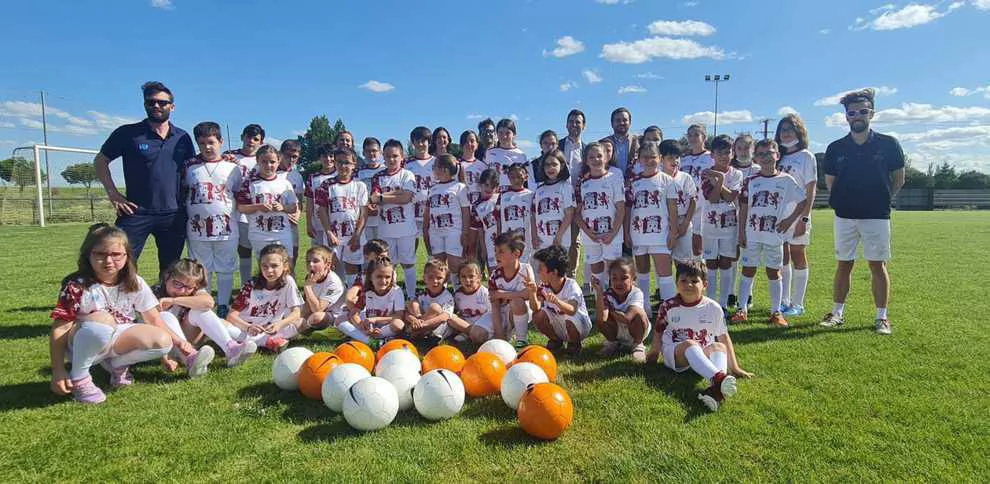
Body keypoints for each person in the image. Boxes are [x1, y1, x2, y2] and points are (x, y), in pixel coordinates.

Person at [49, 224, 193, 404]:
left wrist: (179, 342)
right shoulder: (77, 285)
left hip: (117, 340)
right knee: (103, 319)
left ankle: (118, 365)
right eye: (100, 254)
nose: (109, 261)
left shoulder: (134, 282)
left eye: (116, 254)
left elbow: (154, 318)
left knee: (163, 341)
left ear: (127, 256)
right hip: (83, 341)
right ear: (88, 255)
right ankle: (80, 378)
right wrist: (58, 370)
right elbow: (60, 328)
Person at [822, 88, 905, 335]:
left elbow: (899, 179)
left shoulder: (889, 144)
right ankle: (837, 313)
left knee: (877, 266)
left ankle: (882, 318)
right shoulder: (835, 147)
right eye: (852, 112)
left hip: (877, 215)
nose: (857, 116)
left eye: (863, 111)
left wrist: (880, 200)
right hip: (845, 215)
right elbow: (830, 182)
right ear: (846, 116)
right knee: (843, 264)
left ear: (872, 113)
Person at [94, 81, 194, 275]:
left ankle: (164, 303)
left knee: (170, 268)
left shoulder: (182, 137)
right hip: (135, 212)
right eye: (151, 102)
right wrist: (113, 195)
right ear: (145, 105)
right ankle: (119, 303)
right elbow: (100, 161)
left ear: (172, 106)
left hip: (173, 214)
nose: (156, 106)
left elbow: (193, 166)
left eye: (162, 102)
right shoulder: (127, 133)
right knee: (120, 263)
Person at [646, 261, 752, 412]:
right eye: (683, 281)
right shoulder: (668, 306)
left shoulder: (713, 308)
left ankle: (716, 393)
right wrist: (654, 353)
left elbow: (723, 337)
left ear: (705, 285)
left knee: (718, 346)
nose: (688, 285)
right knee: (690, 343)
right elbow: (658, 331)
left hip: (702, 354)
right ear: (677, 283)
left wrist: (735, 368)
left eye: (694, 281)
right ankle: (718, 379)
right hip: (677, 355)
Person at [734, 140, 808, 327]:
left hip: (774, 235)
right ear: (756, 157)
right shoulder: (751, 181)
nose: (766, 157)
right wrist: (741, 231)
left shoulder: (786, 180)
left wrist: (789, 221)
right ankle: (742, 309)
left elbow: (802, 201)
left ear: (778, 155)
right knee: (748, 269)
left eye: (770, 153)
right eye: (761, 154)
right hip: (752, 234)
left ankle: (776, 312)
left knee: (774, 271)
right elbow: (743, 207)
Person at [182, 122, 241, 316]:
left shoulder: (233, 167)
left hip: (226, 228)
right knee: (201, 269)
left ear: (221, 141)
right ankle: (205, 304)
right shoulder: (190, 166)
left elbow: (240, 194)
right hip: (197, 229)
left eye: (211, 142)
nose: (207, 147)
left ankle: (223, 304)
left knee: (225, 268)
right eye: (201, 143)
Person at [155, 258, 256, 370]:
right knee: (165, 316)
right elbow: (152, 328)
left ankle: (231, 349)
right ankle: (189, 358)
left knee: (200, 309)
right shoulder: (154, 294)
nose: (182, 291)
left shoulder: (194, 291)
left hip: (191, 338)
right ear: (166, 277)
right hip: (169, 345)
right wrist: (164, 357)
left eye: (188, 287)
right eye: (177, 284)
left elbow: (209, 303)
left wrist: (174, 300)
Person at [625, 142, 679, 306]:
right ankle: (644, 307)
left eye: (653, 157)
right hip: (638, 234)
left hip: (660, 235)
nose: (649, 161)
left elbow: (673, 209)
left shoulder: (667, 180)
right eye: (645, 157)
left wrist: (673, 232)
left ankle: (669, 310)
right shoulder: (633, 182)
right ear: (639, 160)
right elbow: (628, 209)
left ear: (660, 159)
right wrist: (627, 232)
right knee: (642, 272)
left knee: (665, 273)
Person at [775, 114, 818, 318]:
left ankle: (798, 303)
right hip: (780, 217)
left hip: (798, 215)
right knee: (782, 258)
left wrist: (805, 217)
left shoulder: (806, 156)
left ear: (799, 132)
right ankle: (784, 300)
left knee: (798, 254)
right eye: (783, 130)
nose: (786, 133)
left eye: (790, 129)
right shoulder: (778, 157)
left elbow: (810, 190)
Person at [225, 244, 303, 352]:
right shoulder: (251, 285)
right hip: (247, 329)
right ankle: (267, 342)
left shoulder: (288, 281)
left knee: (302, 322)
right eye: (264, 266)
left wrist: (280, 324)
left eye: (274, 266)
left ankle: (254, 342)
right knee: (219, 323)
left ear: (285, 266)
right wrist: (248, 327)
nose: (269, 270)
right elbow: (231, 316)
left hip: (272, 328)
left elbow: (296, 313)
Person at [369, 139, 419, 300]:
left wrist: (383, 197)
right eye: (388, 156)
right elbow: (374, 198)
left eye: (395, 156)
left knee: (408, 263)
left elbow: (406, 197)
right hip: (386, 230)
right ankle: (391, 297)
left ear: (402, 156)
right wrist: (396, 194)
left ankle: (411, 297)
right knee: (388, 265)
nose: (391, 159)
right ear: (383, 156)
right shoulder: (378, 177)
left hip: (406, 229)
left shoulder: (407, 174)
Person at [700, 135, 744, 315]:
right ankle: (711, 304)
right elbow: (713, 197)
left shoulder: (737, 173)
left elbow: (731, 196)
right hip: (710, 226)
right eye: (720, 153)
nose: (724, 156)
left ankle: (724, 304)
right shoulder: (704, 172)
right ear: (712, 154)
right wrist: (719, 180)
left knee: (726, 263)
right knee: (710, 263)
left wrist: (718, 179)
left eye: (728, 152)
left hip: (729, 226)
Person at [316, 147, 369, 287]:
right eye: (339, 162)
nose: (343, 166)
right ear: (334, 163)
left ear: (354, 164)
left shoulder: (360, 186)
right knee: (332, 267)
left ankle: (352, 299)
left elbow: (363, 213)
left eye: (347, 162)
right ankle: (336, 300)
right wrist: (328, 232)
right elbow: (322, 211)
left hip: (353, 235)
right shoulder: (326, 185)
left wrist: (357, 235)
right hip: (334, 234)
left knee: (352, 268)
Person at [576, 142, 626, 290]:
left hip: (613, 234)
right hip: (591, 235)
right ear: (586, 160)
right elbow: (577, 214)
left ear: (606, 158)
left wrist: (612, 233)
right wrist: (588, 232)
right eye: (591, 157)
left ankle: (614, 303)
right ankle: (601, 302)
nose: (596, 159)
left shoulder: (614, 178)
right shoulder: (582, 183)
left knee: (614, 270)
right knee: (596, 269)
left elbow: (621, 209)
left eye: (599, 156)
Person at [236, 145, 298, 259]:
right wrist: (259, 207)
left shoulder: (285, 183)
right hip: (259, 234)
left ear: (278, 161)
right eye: (264, 162)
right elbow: (241, 208)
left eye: (272, 162)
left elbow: (294, 207)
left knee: (286, 266)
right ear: (257, 161)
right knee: (265, 269)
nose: (268, 165)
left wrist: (282, 207)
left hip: (282, 233)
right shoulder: (249, 183)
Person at [529, 245, 592, 357]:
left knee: (569, 317)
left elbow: (572, 310)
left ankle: (575, 344)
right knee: (537, 315)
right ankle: (556, 340)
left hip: (579, 324)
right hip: (560, 324)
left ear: (554, 272)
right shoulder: (544, 286)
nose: (538, 271)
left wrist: (557, 301)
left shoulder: (571, 285)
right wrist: (532, 293)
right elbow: (535, 308)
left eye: (541, 268)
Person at [228, 124, 266, 284]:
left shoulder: (264, 158)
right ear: (242, 137)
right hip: (238, 210)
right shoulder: (229, 156)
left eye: (255, 139)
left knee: (262, 251)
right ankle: (246, 285)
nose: (251, 141)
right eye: (248, 137)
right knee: (244, 250)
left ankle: (264, 284)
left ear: (261, 142)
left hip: (259, 211)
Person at [422, 154, 471, 281]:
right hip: (435, 232)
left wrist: (465, 233)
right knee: (438, 266)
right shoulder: (433, 189)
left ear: (444, 169)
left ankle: (458, 293)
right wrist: (425, 230)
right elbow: (427, 212)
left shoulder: (460, 187)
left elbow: (466, 212)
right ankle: (440, 293)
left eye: (435, 167)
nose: (433, 169)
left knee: (455, 265)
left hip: (453, 231)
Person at [339, 255, 406, 344]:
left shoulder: (396, 291)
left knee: (398, 324)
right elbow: (354, 313)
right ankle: (370, 340)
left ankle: (374, 339)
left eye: (387, 277)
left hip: (386, 328)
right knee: (340, 320)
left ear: (392, 277)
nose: (383, 281)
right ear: (370, 277)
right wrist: (361, 326)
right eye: (379, 276)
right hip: (369, 326)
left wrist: (375, 319)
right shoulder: (367, 291)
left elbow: (399, 316)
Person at [592, 258, 650, 362]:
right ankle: (613, 342)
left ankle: (638, 346)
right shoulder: (608, 294)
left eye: (624, 278)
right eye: (614, 278)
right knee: (601, 318)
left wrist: (611, 310)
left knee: (639, 315)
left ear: (633, 279)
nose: (618, 282)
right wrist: (600, 293)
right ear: (610, 279)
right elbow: (601, 319)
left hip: (634, 330)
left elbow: (627, 318)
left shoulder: (637, 293)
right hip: (618, 329)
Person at [489, 231, 537, 348]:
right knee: (477, 334)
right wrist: (499, 333)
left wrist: (502, 294)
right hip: (500, 313)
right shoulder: (495, 275)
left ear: (516, 254)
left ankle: (521, 340)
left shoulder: (526, 270)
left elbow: (527, 294)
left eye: (501, 252)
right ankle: (504, 335)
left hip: (521, 310)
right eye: (495, 251)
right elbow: (494, 303)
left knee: (517, 302)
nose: (496, 255)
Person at [727, 134, 758, 311]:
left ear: (752, 149)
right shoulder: (730, 170)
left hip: (753, 220)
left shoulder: (758, 169)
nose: (743, 151)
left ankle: (748, 293)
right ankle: (731, 293)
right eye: (739, 148)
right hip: (733, 219)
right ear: (734, 150)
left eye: (747, 147)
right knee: (733, 257)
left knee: (750, 258)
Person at [532, 150, 575, 264]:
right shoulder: (539, 190)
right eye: (547, 164)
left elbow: (569, 214)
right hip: (542, 240)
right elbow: (534, 215)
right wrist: (534, 235)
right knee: (544, 274)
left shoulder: (565, 187)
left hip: (560, 240)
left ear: (561, 165)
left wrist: (559, 236)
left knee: (557, 273)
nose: (550, 168)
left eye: (554, 164)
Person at [559, 109, 587, 283]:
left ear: (583, 125)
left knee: (575, 241)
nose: (574, 125)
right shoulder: (558, 145)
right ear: (566, 124)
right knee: (560, 237)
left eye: (578, 122)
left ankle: (571, 277)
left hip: (579, 201)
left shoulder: (588, 149)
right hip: (559, 199)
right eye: (571, 121)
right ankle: (558, 275)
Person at [680, 124, 715, 258]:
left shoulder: (710, 157)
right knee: (685, 248)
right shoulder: (684, 159)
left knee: (698, 248)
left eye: (696, 134)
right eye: (690, 135)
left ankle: (699, 276)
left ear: (704, 137)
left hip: (703, 207)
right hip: (685, 208)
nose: (692, 138)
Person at [661, 140, 697, 266]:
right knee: (664, 261)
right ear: (661, 159)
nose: (675, 161)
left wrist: (686, 223)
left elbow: (693, 200)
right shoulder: (657, 178)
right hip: (665, 223)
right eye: (670, 158)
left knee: (684, 262)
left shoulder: (685, 177)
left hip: (683, 222)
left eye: (677, 157)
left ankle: (684, 285)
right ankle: (663, 286)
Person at [405, 258, 457, 343]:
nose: (435, 281)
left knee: (435, 307)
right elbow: (406, 312)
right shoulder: (421, 294)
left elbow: (445, 317)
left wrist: (423, 324)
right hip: (421, 320)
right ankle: (419, 333)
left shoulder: (447, 296)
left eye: (439, 278)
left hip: (437, 326)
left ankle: (418, 334)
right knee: (412, 303)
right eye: (430, 277)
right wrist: (414, 320)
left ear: (445, 280)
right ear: (424, 278)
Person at [298, 245, 345, 334]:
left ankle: (301, 328)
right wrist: (300, 315)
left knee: (317, 317)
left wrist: (307, 287)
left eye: (316, 261)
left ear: (327, 264)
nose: (311, 264)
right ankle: (299, 324)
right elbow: (307, 303)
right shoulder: (310, 277)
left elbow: (318, 309)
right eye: (308, 261)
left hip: (334, 315)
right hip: (315, 309)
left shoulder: (333, 282)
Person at [496, 163, 536, 264]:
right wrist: (499, 236)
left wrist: (534, 237)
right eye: (512, 177)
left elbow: (534, 217)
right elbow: (498, 219)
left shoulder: (531, 195)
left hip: (525, 238)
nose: (516, 180)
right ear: (508, 178)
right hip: (507, 237)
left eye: (519, 176)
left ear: (526, 177)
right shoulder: (503, 196)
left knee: (524, 265)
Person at [278, 140, 305, 276]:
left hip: (292, 223)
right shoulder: (272, 173)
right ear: (280, 154)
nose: (291, 159)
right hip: (276, 222)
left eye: (295, 156)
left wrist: (298, 213)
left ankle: (291, 284)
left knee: (293, 253)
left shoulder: (297, 176)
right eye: (288, 155)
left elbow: (299, 201)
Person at [450, 261, 494, 344]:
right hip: (466, 325)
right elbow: (458, 312)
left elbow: (492, 314)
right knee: (450, 316)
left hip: (483, 326)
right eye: (463, 276)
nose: (467, 280)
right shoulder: (458, 295)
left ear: (479, 277)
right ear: (459, 278)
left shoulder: (485, 293)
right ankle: (468, 333)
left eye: (471, 276)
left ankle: (472, 334)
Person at [305, 142, 337, 247]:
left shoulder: (340, 175)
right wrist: (309, 223)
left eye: (331, 156)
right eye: (324, 156)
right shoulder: (313, 178)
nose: (328, 159)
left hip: (337, 223)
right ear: (319, 158)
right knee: (319, 255)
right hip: (318, 225)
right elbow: (309, 202)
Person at [407, 126, 436, 239]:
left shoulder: (437, 162)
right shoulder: (405, 164)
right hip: (412, 213)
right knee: (411, 249)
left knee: (433, 248)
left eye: (423, 141)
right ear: (413, 143)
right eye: (417, 141)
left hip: (432, 212)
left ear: (429, 142)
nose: (420, 144)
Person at [470, 168, 501, 273]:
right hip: (490, 243)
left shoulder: (501, 199)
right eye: (486, 185)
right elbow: (480, 231)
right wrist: (483, 250)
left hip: (504, 242)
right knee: (493, 273)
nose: (489, 188)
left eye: (493, 186)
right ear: (480, 184)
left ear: (497, 188)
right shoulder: (476, 206)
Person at [486, 118, 529, 193]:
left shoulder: (521, 155)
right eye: (501, 133)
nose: (504, 136)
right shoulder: (490, 153)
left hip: (512, 195)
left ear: (514, 135)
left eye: (507, 133)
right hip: (494, 194)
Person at [358, 137, 386, 240]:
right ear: (363, 153)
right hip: (365, 219)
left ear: (380, 152)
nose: (371, 154)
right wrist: (366, 206)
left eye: (374, 150)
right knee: (368, 251)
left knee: (384, 250)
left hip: (384, 219)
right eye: (368, 151)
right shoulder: (358, 172)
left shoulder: (387, 170)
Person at [606, 107, 639, 174]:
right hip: (610, 183)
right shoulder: (603, 143)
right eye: (618, 120)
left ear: (630, 122)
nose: (621, 123)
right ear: (612, 123)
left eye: (625, 120)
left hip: (634, 183)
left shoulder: (638, 142)